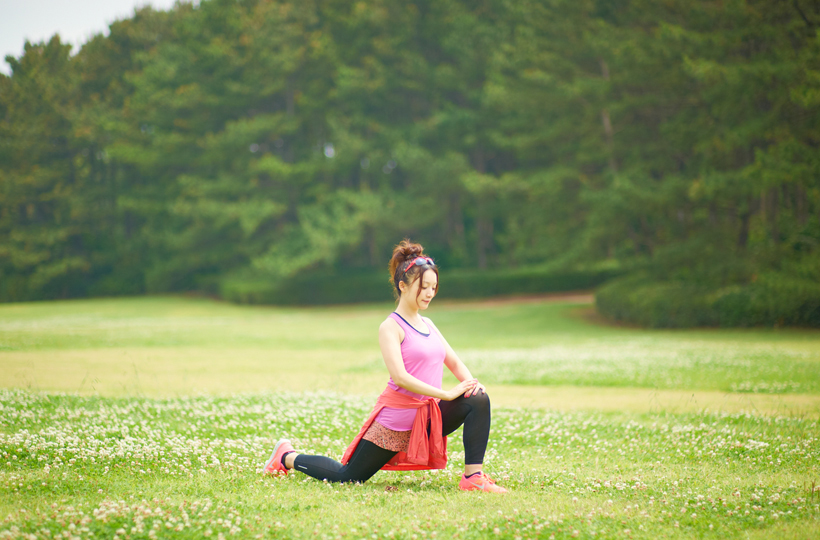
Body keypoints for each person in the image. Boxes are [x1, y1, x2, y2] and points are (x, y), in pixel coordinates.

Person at [263, 239, 507, 493]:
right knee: (348, 477)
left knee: (478, 398)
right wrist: (446, 394)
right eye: (423, 287)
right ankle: (286, 457)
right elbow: (400, 377)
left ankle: (473, 477)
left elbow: (454, 362)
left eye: (433, 287)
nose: (429, 293)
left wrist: (471, 383)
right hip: (396, 422)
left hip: (426, 419)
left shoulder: (429, 324)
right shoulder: (390, 327)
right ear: (403, 285)